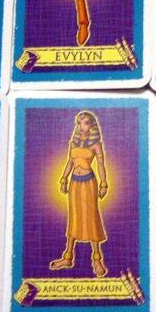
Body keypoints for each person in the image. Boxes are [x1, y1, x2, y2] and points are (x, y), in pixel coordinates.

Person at [50, 110, 109, 277]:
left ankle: (97, 259)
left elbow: (101, 165)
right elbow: (69, 162)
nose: (82, 126)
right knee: (74, 217)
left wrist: (104, 183)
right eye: (79, 123)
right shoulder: (73, 143)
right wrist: (63, 179)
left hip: (89, 183)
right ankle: (68, 256)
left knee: (91, 217)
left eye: (86, 123)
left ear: (92, 125)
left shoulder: (96, 144)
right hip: (74, 183)